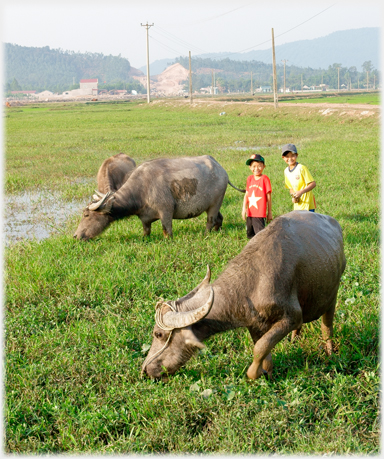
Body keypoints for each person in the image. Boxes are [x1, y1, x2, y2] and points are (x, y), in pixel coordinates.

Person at [242, 153, 272, 239]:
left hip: (259, 213)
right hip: (250, 212)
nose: (256, 168)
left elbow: (269, 196)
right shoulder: (249, 178)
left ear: (264, 167)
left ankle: (263, 250)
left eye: (259, 166)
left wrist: (269, 212)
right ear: (250, 167)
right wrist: (244, 208)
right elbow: (247, 194)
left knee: (260, 236)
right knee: (249, 234)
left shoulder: (265, 179)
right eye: (254, 166)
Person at [281, 144, 316, 212]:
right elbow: (291, 188)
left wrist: (301, 192)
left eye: (292, 156)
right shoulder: (286, 171)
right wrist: (293, 197)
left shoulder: (301, 168)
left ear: (296, 155)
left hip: (307, 205)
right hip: (298, 206)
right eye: (287, 156)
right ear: (283, 158)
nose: (290, 158)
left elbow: (313, 183)